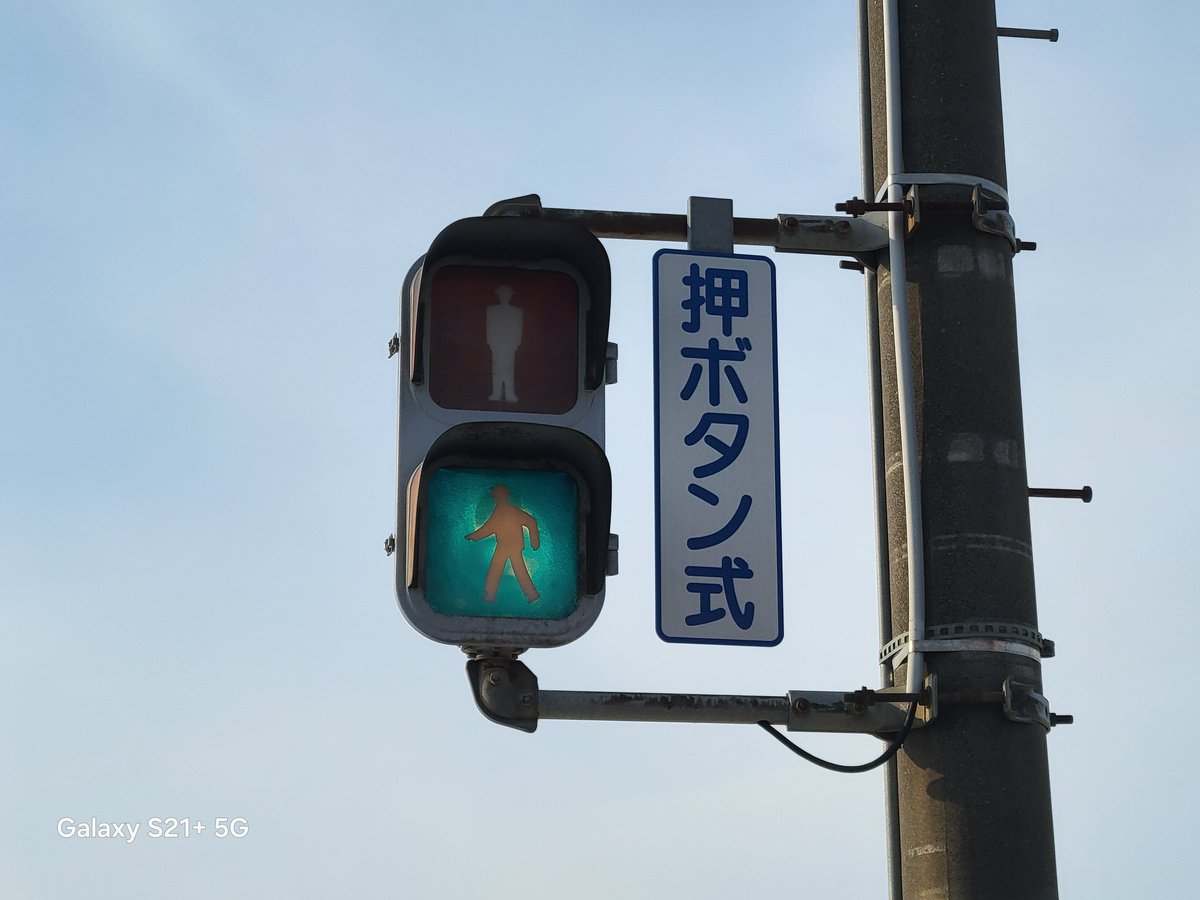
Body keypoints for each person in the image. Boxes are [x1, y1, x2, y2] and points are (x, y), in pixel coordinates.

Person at [465, 484, 540, 602]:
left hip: (510, 545)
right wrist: (474, 536)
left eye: (495, 492)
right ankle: (530, 594)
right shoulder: (500, 510)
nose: (493, 494)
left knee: (500, 569)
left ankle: (490, 595)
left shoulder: (510, 510)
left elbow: (531, 521)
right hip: (506, 545)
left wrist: (534, 541)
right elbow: (490, 528)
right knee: (513, 569)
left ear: (501, 494)